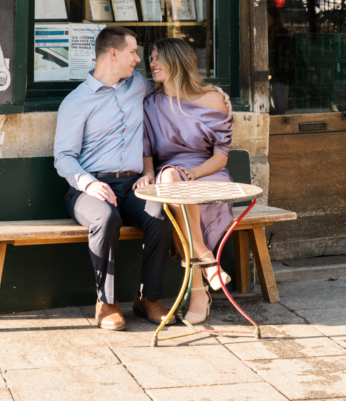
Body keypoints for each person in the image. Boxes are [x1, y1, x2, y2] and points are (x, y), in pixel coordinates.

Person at [53, 25, 170, 330]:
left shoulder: (139, 86)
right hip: (88, 188)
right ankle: (106, 303)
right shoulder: (76, 102)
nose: (138, 59)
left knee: (159, 214)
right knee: (106, 219)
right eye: (133, 52)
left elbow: (175, 85)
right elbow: (63, 157)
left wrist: (215, 93)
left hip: (132, 185)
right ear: (113, 54)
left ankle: (148, 298)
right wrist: (89, 183)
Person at [139, 37, 233, 325]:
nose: (151, 63)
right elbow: (146, 152)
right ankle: (203, 265)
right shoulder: (150, 104)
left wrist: (194, 174)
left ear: (175, 61)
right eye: (150, 58)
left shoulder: (214, 98)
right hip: (171, 177)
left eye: (156, 58)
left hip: (209, 174)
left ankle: (198, 286)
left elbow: (221, 157)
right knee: (169, 177)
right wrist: (147, 173)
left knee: (175, 186)